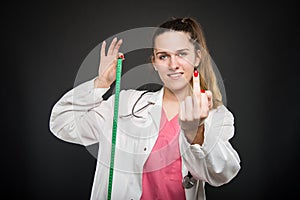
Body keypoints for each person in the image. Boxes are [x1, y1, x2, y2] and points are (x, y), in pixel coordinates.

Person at [49, 17, 241, 200]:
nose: (173, 65)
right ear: (154, 62)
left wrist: (197, 133)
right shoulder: (125, 104)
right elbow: (62, 123)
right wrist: (101, 83)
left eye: (182, 54)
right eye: (163, 56)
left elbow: (222, 174)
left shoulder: (216, 115)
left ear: (197, 57)